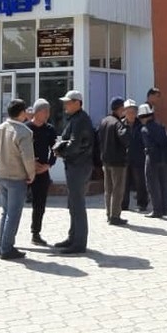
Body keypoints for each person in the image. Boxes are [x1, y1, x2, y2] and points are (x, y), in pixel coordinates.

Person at [0, 99, 36, 260]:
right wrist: (31, 174)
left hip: (1, 175)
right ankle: (7, 248)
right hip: (16, 177)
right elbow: (28, 157)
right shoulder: (24, 132)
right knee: (13, 214)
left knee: (6, 212)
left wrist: (2, 159)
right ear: (22, 113)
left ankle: (1, 246)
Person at [53, 90, 94, 255]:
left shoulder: (80, 120)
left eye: (68, 102)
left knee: (77, 204)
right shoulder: (75, 119)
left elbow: (75, 144)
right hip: (75, 165)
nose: (65, 105)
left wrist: (61, 151)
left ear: (77, 103)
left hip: (79, 166)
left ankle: (79, 243)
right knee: (73, 203)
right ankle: (73, 237)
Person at [27, 99, 59, 246]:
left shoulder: (49, 129)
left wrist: (48, 165)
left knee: (39, 204)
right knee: (15, 203)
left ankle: (36, 233)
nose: (47, 114)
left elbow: (55, 149)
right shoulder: (26, 128)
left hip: (42, 172)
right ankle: (9, 235)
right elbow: (17, 150)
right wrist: (30, 164)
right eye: (45, 111)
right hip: (25, 171)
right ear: (37, 112)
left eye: (48, 111)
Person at [98, 97, 131, 226]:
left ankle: (109, 214)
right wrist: (127, 126)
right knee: (118, 189)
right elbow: (125, 138)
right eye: (124, 108)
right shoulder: (118, 123)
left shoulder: (104, 121)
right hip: (118, 162)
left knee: (108, 189)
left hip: (106, 160)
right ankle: (115, 216)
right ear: (120, 108)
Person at [140, 103, 167, 218]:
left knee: (153, 185)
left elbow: (148, 146)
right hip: (164, 159)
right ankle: (164, 209)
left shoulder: (144, 129)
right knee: (163, 184)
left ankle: (156, 210)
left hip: (152, 159)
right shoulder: (161, 126)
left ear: (143, 117)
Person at [122, 99, 149, 213]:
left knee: (140, 182)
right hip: (125, 158)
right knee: (124, 182)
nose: (131, 114)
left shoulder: (141, 124)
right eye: (128, 112)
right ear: (124, 112)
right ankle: (123, 204)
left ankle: (142, 203)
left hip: (138, 157)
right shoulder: (120, 125)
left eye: (133, 111)